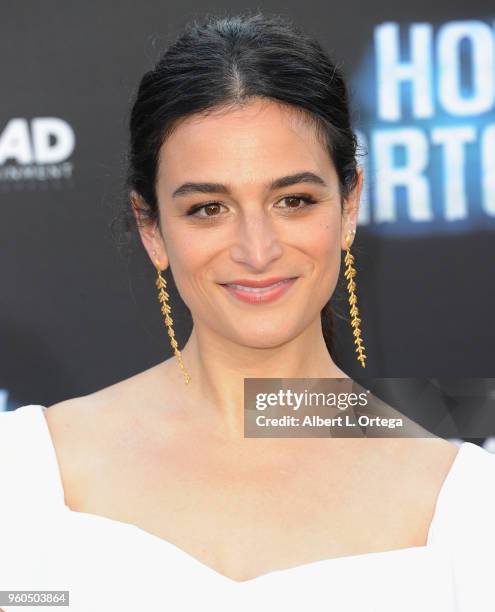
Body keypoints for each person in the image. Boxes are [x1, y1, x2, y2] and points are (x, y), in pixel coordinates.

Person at [1, 11, 494, 612]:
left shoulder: (468, 507)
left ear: (348, 206)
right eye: (209, 208)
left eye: (293, 200)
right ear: (151, 229)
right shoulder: (23, 474)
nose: (256, 250)